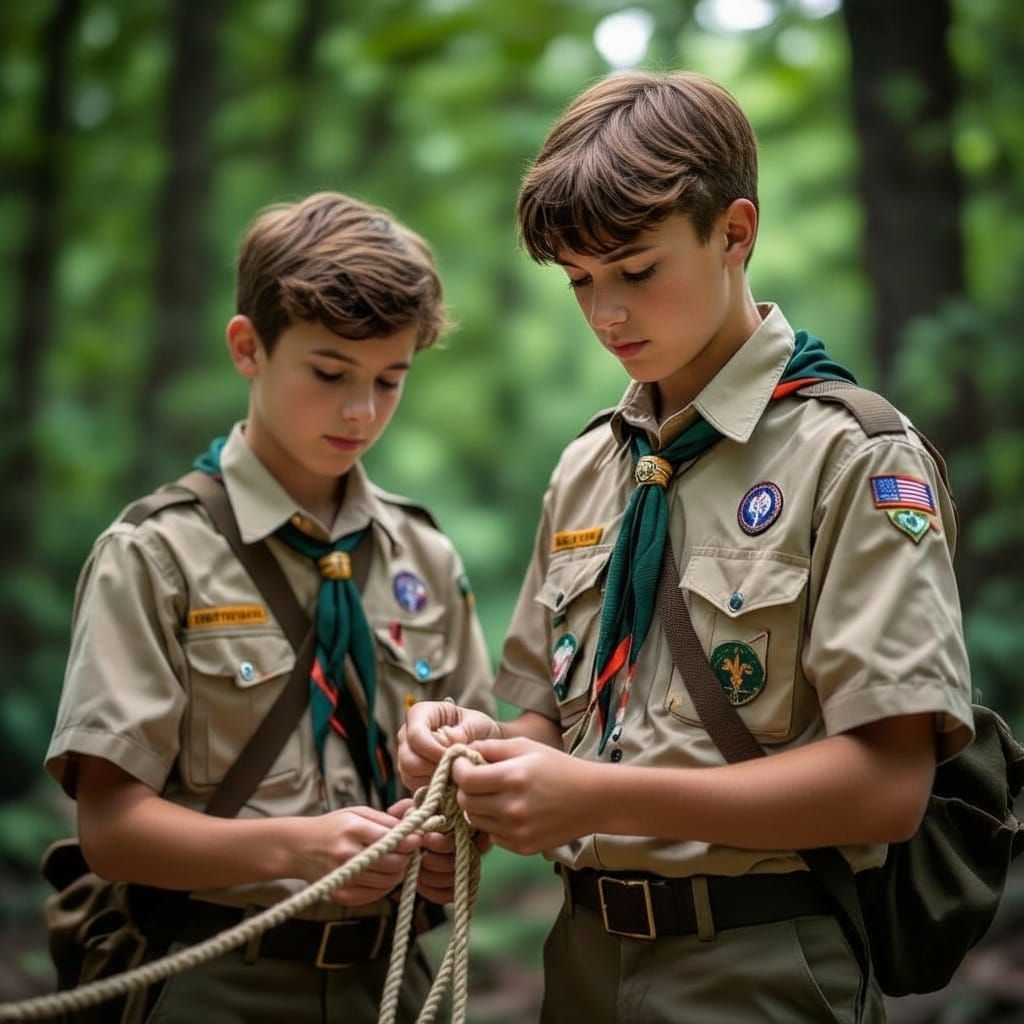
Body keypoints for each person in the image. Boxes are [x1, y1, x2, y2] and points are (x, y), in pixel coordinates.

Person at [398, 71, 974, 1023]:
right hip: (578, 965)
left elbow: (886, 786)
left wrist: (593, 798)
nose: (605, 315)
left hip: (761, 967)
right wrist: (481, 757)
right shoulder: (590, 466)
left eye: (635, 270)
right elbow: (556, 727)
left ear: (734, 233)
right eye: (580, 281)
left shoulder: (854, 455)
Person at [45, 191, 494, 1024]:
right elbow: (109, 828)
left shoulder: (423, 557)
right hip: (210, 978)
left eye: (389, 380)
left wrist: (449, 850)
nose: (361, 411)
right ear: (248, 348)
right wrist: (304, 847)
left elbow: (475, 802)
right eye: (329, 374)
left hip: (386, 984)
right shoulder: (155, 553)